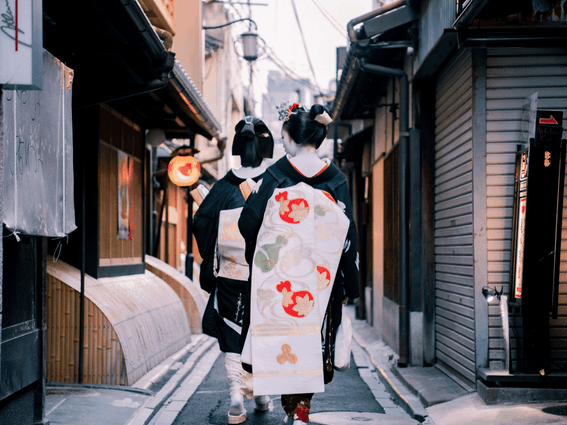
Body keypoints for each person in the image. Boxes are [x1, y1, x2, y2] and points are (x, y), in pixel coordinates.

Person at [238, 104, 360, 425]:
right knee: (312, 343)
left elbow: (249, 224)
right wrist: (351, 282)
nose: (282, 143)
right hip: (321, 282)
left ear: (291, 138)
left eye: (282, 137)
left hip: (279, 279)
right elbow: (348, 234)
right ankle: (301, 410)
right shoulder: (334, 179)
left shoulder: (277, 174)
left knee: (281, 345)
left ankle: (294, 410)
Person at [193, 116, 274, 424]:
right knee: (261, 332)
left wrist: (214, 253)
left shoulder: (224, 186)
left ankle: (236, 397)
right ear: (266, 146)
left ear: (237, 148)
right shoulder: (275, 180)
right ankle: (263, 392)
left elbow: (201, 223)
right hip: (266, 274)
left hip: (230, 273)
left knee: (231, 332)